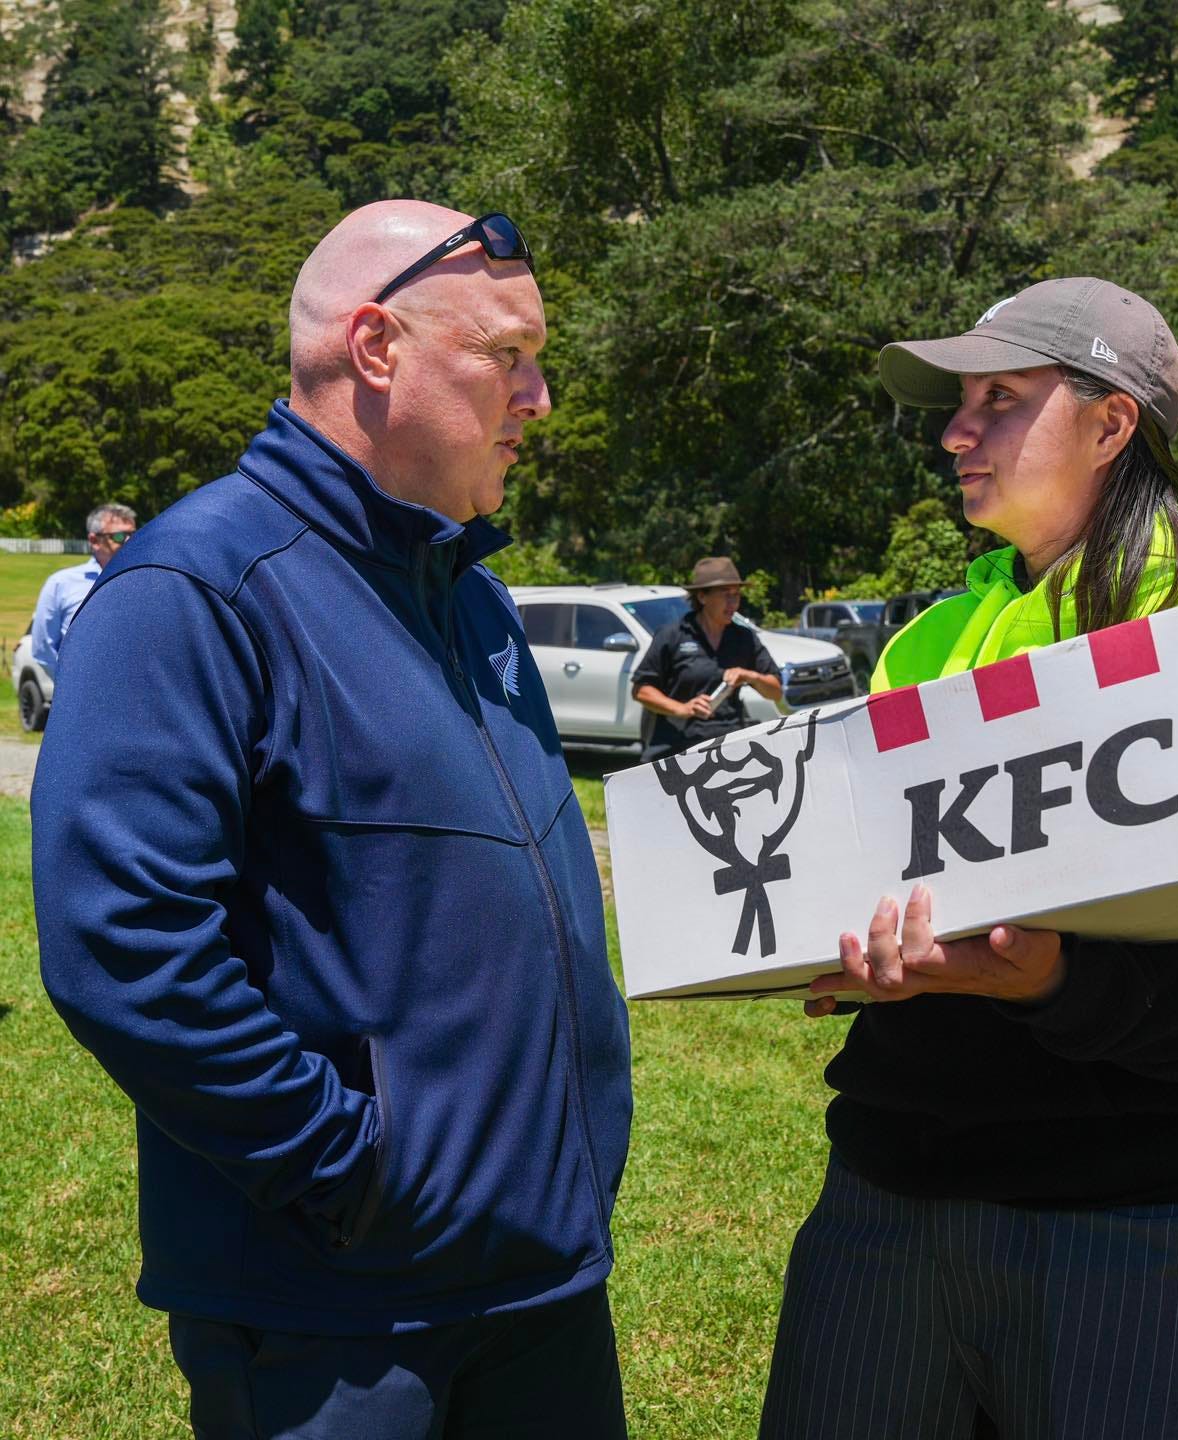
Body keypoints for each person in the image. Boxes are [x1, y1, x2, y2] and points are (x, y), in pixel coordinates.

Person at [32, 202, 632, 1439]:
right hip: (340, 1320)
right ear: (376, 348)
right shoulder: (194, 588)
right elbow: (124, 950)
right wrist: (352, 1170)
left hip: (542, 1285)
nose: (542, 398)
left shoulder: (474, 602)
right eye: (507, 356)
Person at [760, 277, 1178, 1440]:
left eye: (1001, 400)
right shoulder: (923, 642)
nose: (956, 433)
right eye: (960, 402)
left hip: (1138, 1234)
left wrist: (1056, 981)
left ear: (1113, 423)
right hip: (886, 1204)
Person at [630, 556, 784, 760]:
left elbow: (775, 691)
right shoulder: (672, 635)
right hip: (678, 747)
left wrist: (748, 675)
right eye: (726, 595)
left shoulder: (744, 637)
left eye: (736, 595)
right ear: (702, 597)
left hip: (730, 745)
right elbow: (641, 690)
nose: (733, 603)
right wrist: (682, 708)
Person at [28, 502, 138, 671]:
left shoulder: (144, 581)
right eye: (119, 536)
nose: (129, 541)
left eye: (134, 534)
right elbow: (43, 649)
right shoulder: (61, 583)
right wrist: (69, 687)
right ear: (94, 540)